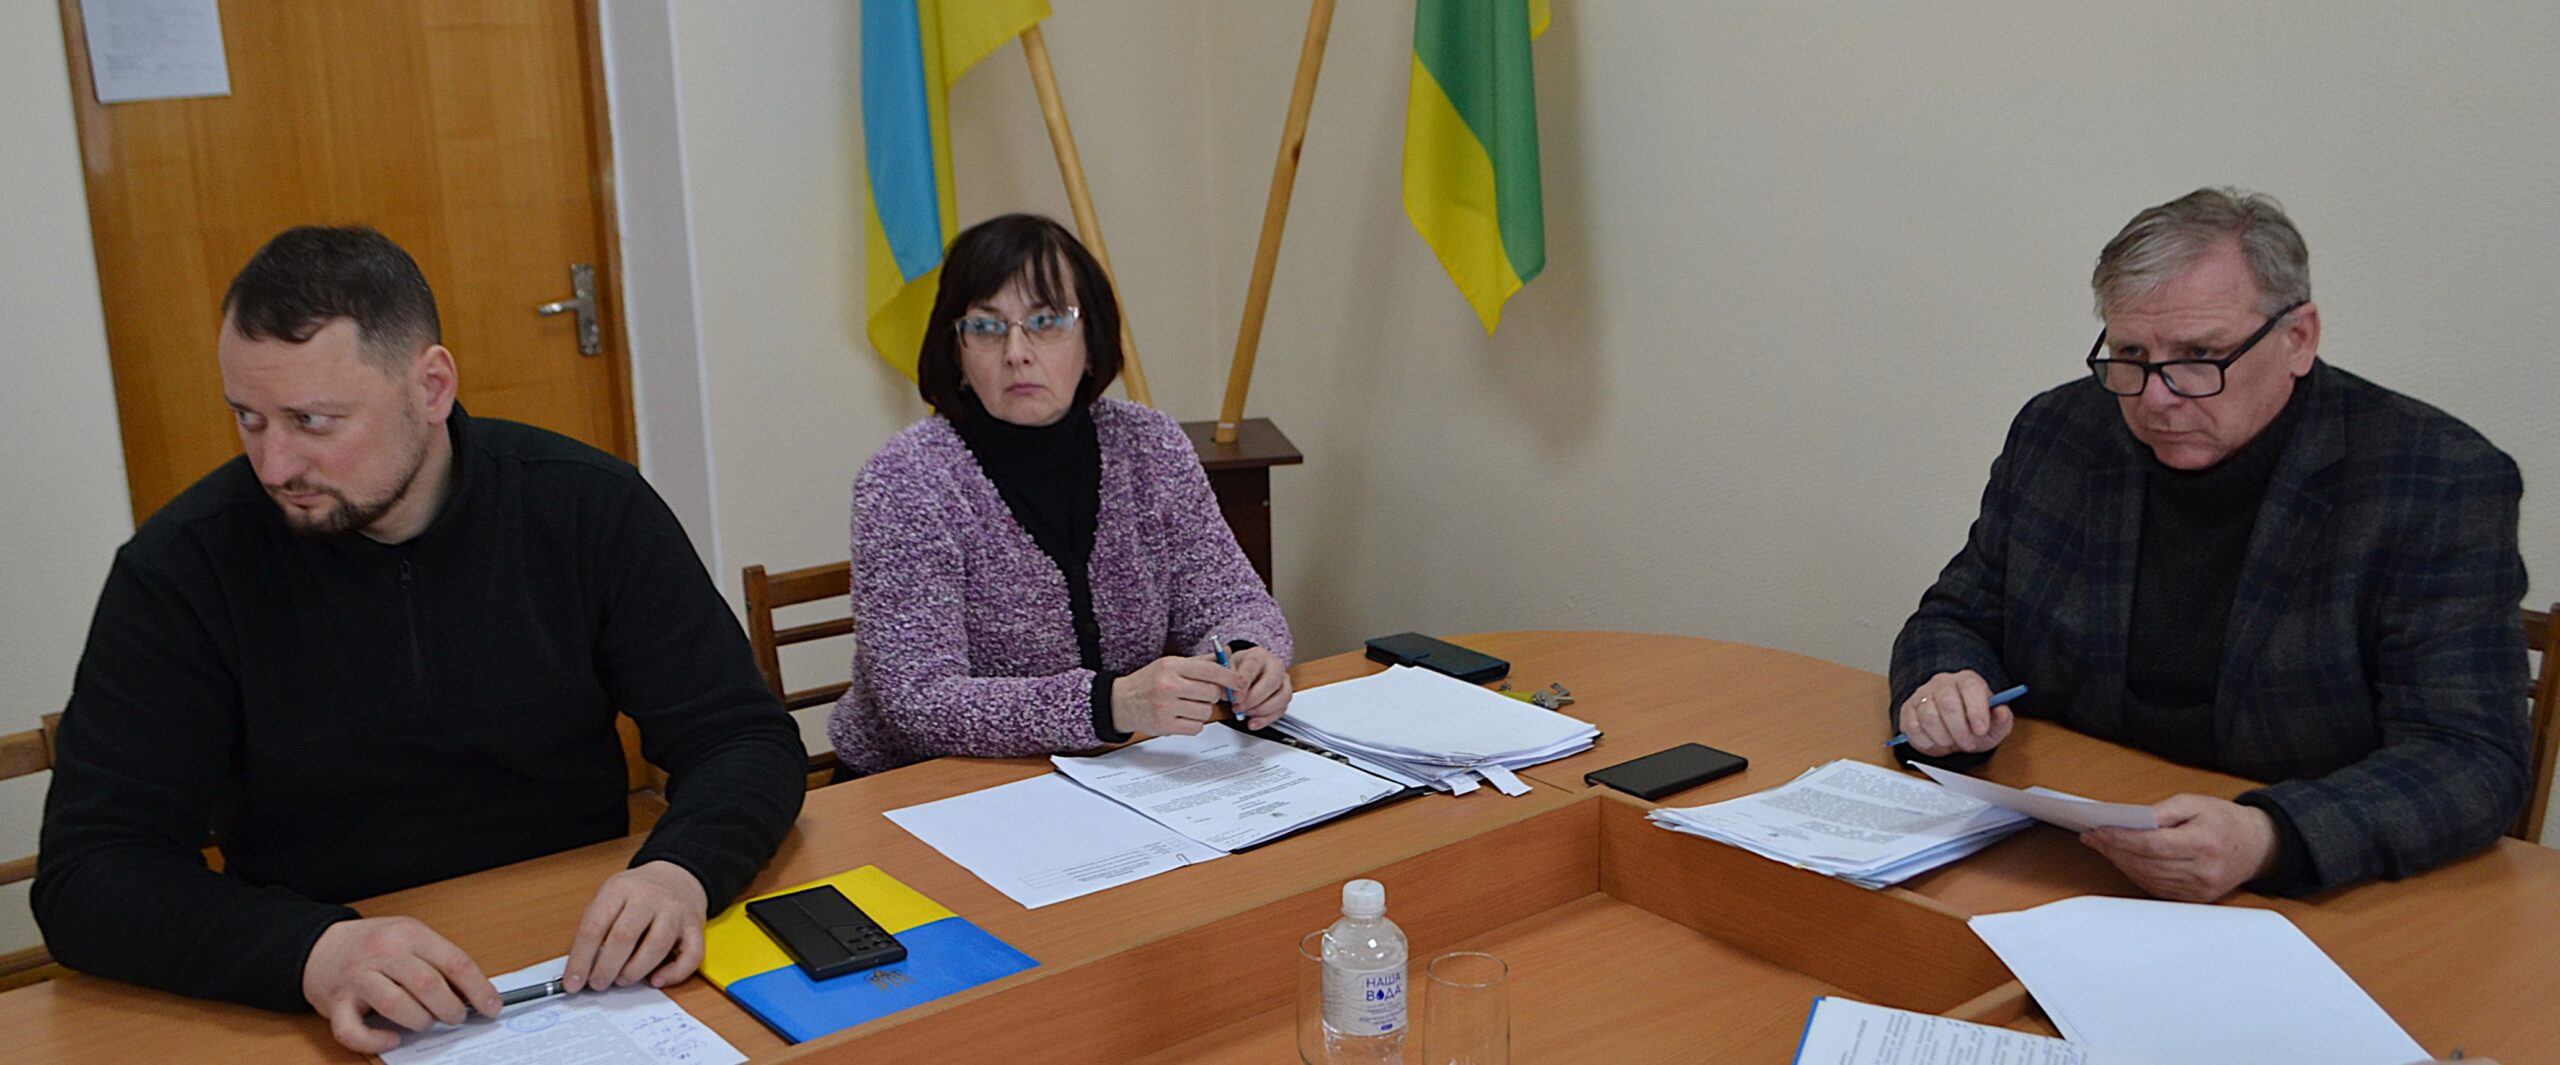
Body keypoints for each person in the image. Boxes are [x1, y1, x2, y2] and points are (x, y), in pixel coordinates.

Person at [35, 227, 807, 1054]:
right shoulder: (183, 569)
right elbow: (91, 869)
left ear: (431, 387)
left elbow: (741, 736)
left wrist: (681, 869)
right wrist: (312, 950)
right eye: (248, 419)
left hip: (582, 965)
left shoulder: (586, 507)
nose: (274, 463)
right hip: (325, 997)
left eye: (313, 420)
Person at [1889, 188, 2529, 903]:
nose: (2156, 398)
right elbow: (1958, 614)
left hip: (2303, 894)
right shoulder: (2060, 431)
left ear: (2298, 338)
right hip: (2065, 856)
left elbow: (2472, 758)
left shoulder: (2436, 480)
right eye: (2131, 354)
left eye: (2199, 355)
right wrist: (1945, 684)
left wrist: (2271, 836)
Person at [830, 214, 1293, 775]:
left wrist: (1247, 653)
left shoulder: (1149, 445)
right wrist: (1109, 704)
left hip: (1113, 771)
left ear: (1091, 342)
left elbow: (1232, 599)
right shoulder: (907, 479)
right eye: (987, 327)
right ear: (957, 353)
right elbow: (918, 700)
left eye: (1047, 321)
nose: (1016, 352)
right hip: (925, 787)